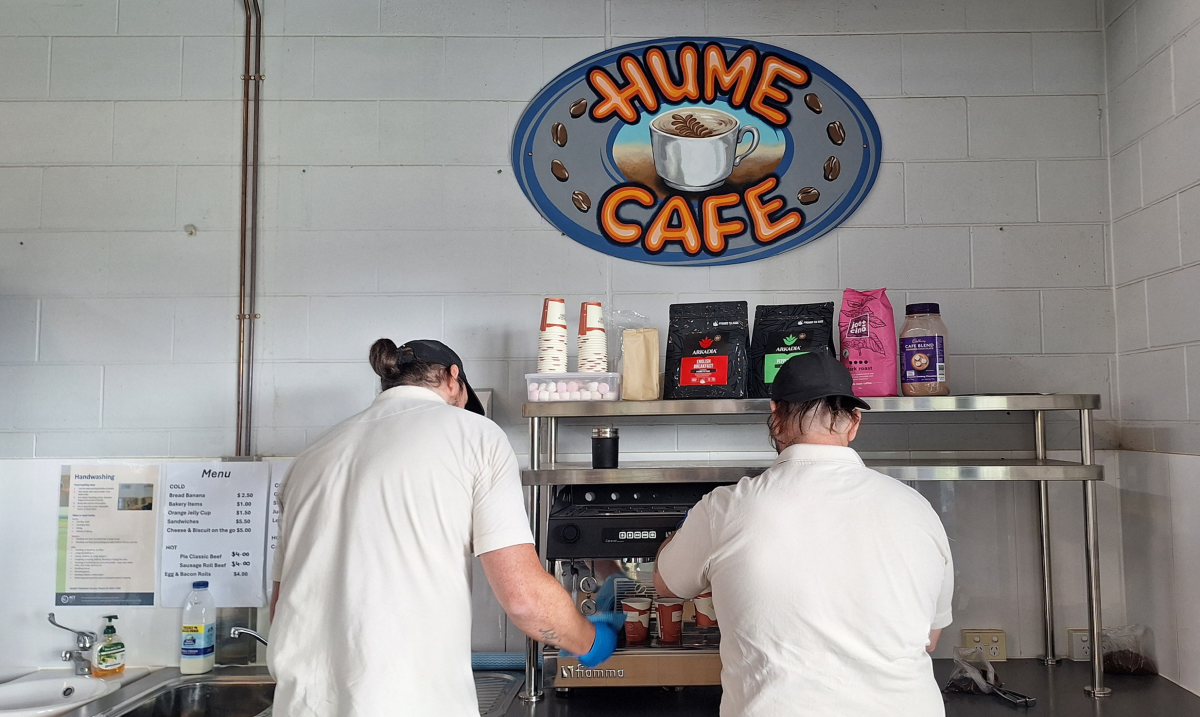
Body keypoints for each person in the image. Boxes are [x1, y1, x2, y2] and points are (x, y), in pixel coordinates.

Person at [269, 338, 621, 717]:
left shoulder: (310, 457)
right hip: (408, 703)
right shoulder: (476, 435)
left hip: (300, 705)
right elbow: (525, 600)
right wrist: (591, 640)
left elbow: (281, 606)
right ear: (454, 379)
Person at [653, 351, 954, 717]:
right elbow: (929, 638)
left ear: (775, 416)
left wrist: (681, 535)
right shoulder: (917, 508)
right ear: (854, 422)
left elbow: (667, 586)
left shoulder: (724, 508)